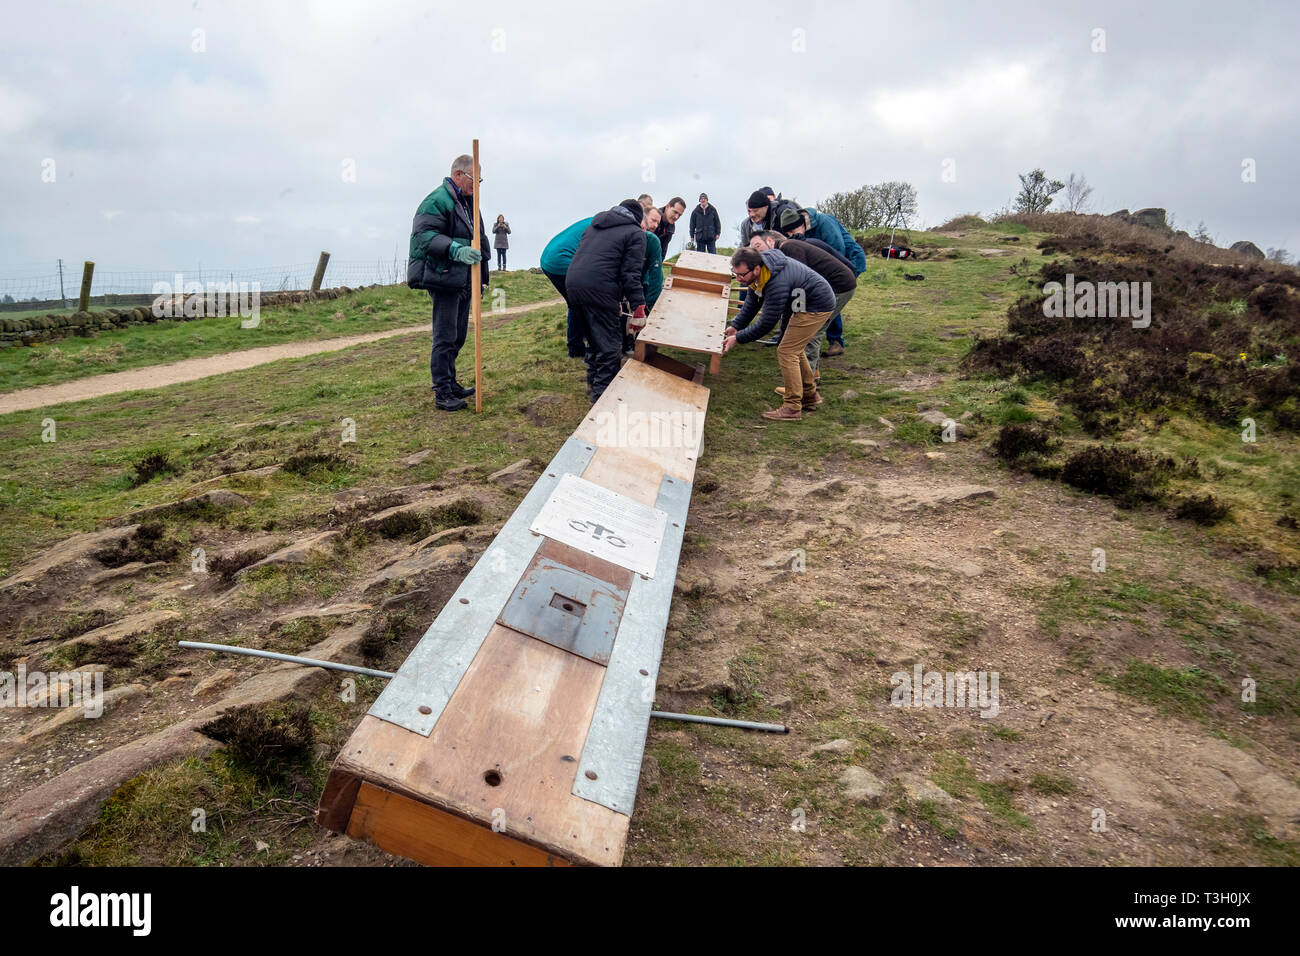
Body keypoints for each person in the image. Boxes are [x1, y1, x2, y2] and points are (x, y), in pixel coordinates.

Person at [407, 154, 489, 411]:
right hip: (442, 276)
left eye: (480, 181)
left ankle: (451, 382)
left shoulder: (469, 203)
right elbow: (424, 236)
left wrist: (482, 280)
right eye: (474, 180)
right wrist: (456, 250)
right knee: (444, 337)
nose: (477, 186)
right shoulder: (437, 201)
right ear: (458, 175)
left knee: (458, 335)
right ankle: (441, 391)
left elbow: (480, 240)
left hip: (463, 279)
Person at [722, 246, 835, 421]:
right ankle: (809, 395)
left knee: (787, 351)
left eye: (741, 275)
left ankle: (792, 407)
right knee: (794, 349)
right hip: (804, 303)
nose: (738, 279)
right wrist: (736, 325)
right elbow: (752, 303)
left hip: (816, 305)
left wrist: (738, 338)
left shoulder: (776, 282)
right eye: (734, 273)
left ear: (756, 269)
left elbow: (766, 324)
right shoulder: (759, 272)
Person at [749, 230, 856, 388]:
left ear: (771, 242)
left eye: (758, 246)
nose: (757, 252)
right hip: (829, 287)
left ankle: (805, 384)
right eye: (752, 249)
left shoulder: (789, 249)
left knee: (810, 332)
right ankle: (812, 374)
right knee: (804, 330)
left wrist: (793, 321)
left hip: (839, 287)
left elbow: (798, 285)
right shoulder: (782, 253)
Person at [565, 200, 647, 402]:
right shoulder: (635, 233)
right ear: (638, 218)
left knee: (594, 342)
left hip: (573, 284)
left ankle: (593, 386)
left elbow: (601, 262)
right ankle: (602, 401)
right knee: (611, 349)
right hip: (598, 288)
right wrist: (639, 307)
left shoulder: (595, 225)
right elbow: (630, 274)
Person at [777, 205, 866, 356]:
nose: (791, 235)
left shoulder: (824, 222)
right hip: (824, 267)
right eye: (788, 233)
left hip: (848, 261)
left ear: (802, 224)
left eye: (793, 231)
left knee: (828, 300)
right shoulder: (802, 234)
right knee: (823, 299)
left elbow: (838, 249)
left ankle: (835, 341)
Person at [541, 214, 595, 359]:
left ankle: (576, 345)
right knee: (582, 302)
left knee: (575, 303)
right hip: (561, 260)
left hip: (548, 257)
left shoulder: (598, 220)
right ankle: (578, 348)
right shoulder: (604, 227)